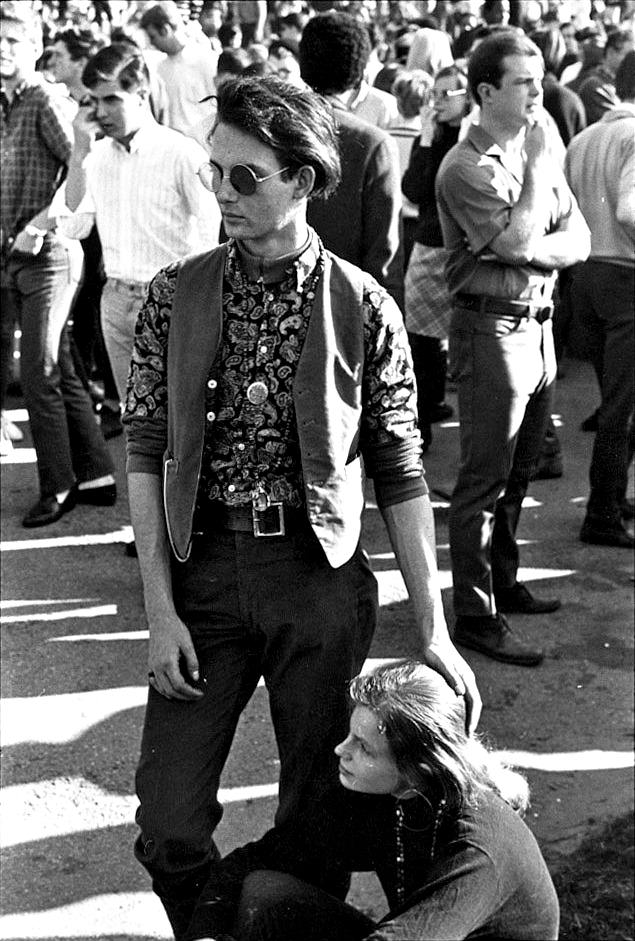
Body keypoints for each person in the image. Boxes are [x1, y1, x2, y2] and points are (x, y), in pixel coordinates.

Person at [123, 75, 480, 939]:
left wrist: (431, 625)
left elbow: (400, 471)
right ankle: (212, 921)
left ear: (304, 179)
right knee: (168, 819)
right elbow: (142, 448)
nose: (221, 193)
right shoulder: (177, 290)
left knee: (317, 813)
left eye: (245, 177)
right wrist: (159, 609)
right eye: (215, 172)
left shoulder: (363, 304)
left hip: (316, 581)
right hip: (202, 574)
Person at [185, 661, 559, 940]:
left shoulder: (479, 850)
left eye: (363, 747)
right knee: (265, 895)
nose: (340, 750)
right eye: (350, 736)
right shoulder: (387, 794)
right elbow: (256, 860)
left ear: (419, 768)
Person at [435, 32, 591, 666]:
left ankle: (503, 581)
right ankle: (474, 614)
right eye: (526, 82)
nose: (539, 91)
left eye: (540, 78)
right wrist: (536, 182)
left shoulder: (530, 151)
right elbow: (518, 239)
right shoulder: (464, 167)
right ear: (485, 92)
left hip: (538, 326)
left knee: (521, 472)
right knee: (484, 478)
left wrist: (534, 250)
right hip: (492, 331)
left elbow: (575, 237)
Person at [0, 3, 116, 526]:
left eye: (13, 43)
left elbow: (83, 171)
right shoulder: (4, 103)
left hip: (50, 254)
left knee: (39, 372)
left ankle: (59, 487)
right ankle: (97, 476)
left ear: (35, 51)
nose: (2, 52)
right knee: (62, 368)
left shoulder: (45, 98)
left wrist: (40, 225)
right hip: (13, 257)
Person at [61, 42, 220, 409]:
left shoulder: (181, 153)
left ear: (141, 94)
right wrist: (79, 151)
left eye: (112, 99)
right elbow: (72, 226)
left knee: (181, 422)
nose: (101, 112)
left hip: (173, 299)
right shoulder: (95, 158)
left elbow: (213, 236)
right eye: (93, 102)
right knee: (138, 423)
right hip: (116, 300)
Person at [565, 50, 635, 549]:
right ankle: (603, 512)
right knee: (621, 409)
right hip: (624, 277)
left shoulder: (586, 137)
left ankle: (611, 500)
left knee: (617, 402)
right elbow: (632, 211)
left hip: (585, 276)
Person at [299, 12, 405, 308]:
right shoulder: (372, 144)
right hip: (343, 312)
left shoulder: (268, 131)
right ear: (359, 74)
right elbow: (384, 256)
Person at [402, 64, 469, 454]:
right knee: (422, 345)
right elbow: (413, 189)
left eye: (448, 94)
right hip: (429, 246)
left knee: (464, 344)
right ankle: (421, 424)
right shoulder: (431, 137)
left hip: (464, 249)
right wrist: (426, 139)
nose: (439, 102)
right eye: (435, 94)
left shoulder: (472, 139)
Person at [140, 1, 218, 140]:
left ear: (165, 29)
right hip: (175, 144)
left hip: (203, 142)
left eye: (153, 36)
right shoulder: (160, 67)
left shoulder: (204, 58)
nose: (152, 43)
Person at [577, 26, 634, 123]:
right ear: (611, 53)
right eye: (629, 55)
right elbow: (620, 123)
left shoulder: (624, 83)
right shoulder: (595, 87)